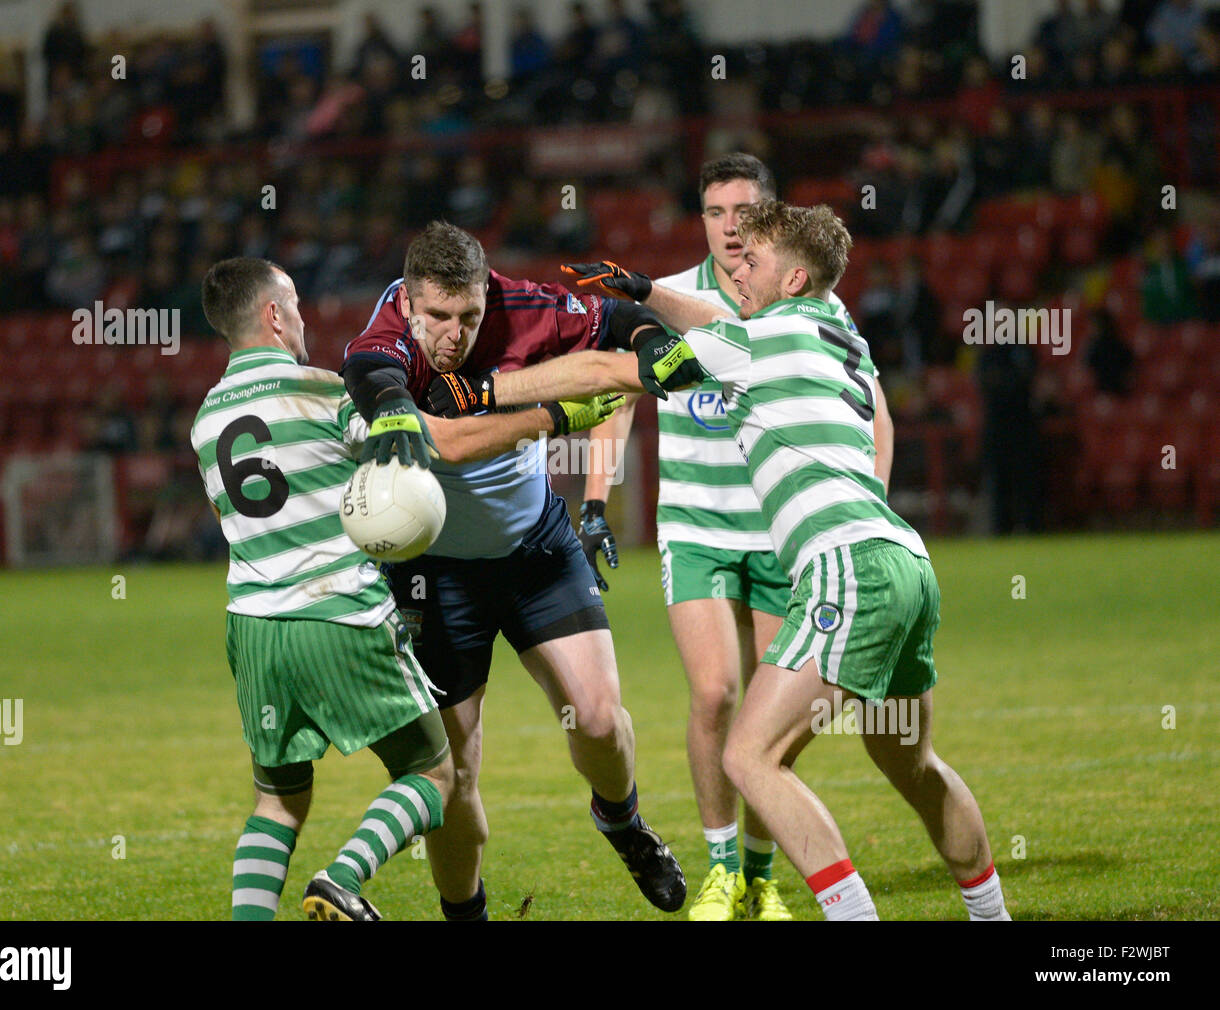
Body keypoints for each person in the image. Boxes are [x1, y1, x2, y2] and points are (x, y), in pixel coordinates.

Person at [564, 203, 1010, 921]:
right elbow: (713, 323)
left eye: (753, 261)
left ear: (794, 274)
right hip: (905, 561)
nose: (736, 267)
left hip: (847, 568)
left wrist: (539, 353)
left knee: (748, 756)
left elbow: (626, 368)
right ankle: (993, 916)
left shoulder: (754, 340)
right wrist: (645, 290)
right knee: (911, 761)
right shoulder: (838, 329)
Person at [194, 256, 621, 921]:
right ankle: (343, 877)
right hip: (338, 612)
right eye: (298, 303)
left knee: (277, 801)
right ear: (274, 315)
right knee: (434, 774)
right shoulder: (323, 392)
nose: (305, 317)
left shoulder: (205, 421)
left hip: (250, 627)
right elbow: (439, 441)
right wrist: (552, 419)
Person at [564, 154, 893, 922]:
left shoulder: (792, 300)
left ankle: (758, 874)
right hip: (698, 525)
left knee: (769, 727)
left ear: (770, 218)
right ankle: (718, 871)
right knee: (714, 695)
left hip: (784, 534)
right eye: (715, 213)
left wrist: (866, 502)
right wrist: (596, 500)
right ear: (701, 219)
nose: (730, 227)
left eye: (744, 212)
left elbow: (873, 411)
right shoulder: (676, 293)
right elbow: (620, 391)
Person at [340, 221, 696, 921]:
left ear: (487, 294)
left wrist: (652, 340)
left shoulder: (522, 305)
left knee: (598, 720)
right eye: (438, 316)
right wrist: (393, 410)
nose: (455, 334)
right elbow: (372, 372)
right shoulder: (387, 331)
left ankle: (622, 823)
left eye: (469, 315)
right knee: (453, 773)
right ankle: (465, 915)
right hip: (434, 577)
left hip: (535, 548)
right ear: (410, 303)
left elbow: (618, 317)